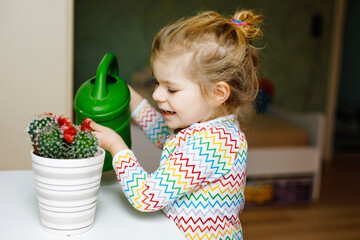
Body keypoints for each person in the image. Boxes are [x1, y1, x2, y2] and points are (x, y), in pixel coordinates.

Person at [90, 9, 263, 240]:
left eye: (171, 88)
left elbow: (147, 196)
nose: (158, 94)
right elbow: (165, 136)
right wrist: (129, 95)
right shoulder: (208, 129)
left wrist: (116, 146)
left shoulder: (213, 145)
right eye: (156, 82)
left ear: (217, 93)